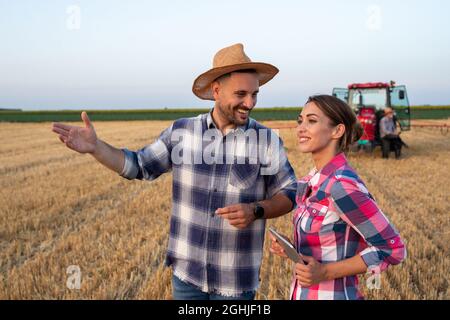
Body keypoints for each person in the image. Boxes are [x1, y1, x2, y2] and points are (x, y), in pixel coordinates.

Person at [51, 43, 297, 300]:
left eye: (255, 94)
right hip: (186, 276)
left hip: (235, 280)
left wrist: (257, 210)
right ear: (216, 90)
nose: (250, 103)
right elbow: (139, 166)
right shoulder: (182, 132)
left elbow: (289, 192)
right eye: (241, 94)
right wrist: (95, 147)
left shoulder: (266, 140)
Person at [269, 95, 406, 300]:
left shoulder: (341, 186)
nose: (300, 128)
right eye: (300, 120)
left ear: (337, 130)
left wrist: (325, 272)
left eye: (312, 121)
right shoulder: (310, 181)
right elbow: (330, 244)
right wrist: (292, 250)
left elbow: (393, 249)